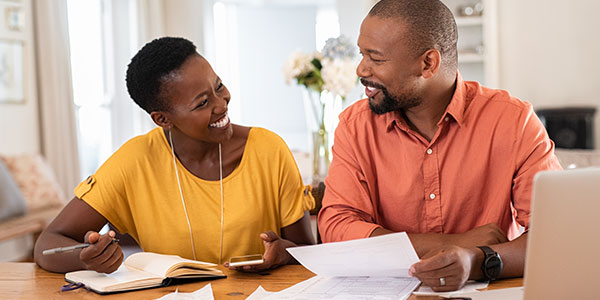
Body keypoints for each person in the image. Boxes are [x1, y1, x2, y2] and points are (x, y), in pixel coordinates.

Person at [318, 0, 562, 292]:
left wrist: (476, 259)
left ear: (428, 64)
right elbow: (336, 227)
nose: (361, 68)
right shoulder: (355, 127)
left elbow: (553, 236)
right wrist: (452, 243)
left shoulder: (513, 121)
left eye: (376, 58)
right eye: (362, 54)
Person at [34, 37, 315, 274]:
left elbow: (306, 251)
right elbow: (47, 243)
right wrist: (86, 258)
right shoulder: (134, 161)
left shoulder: (269, 149)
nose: (222, 103)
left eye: (218, 86)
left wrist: (282, 254)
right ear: (162, 119)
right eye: (202, 102)